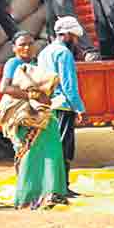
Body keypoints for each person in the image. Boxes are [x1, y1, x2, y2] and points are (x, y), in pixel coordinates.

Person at [0, 32, 67, 208]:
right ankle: (29, 198)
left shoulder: (34, 64)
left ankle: (51, 193)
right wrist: (31, 95)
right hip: (23, 115)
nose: (27, 48)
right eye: (22, 44)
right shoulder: (13, 63)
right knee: (30, 154)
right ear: (14, 48)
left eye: (30, 44)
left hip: (39, 113)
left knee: (51, 150)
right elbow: (4, 87)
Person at [38, 16, 87, 195]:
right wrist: (79, 108)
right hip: (63, 106)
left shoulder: (44, 52)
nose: (75, 41)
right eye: (74, 37)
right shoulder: (64, 53)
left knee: (52, 145)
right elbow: (69, 85)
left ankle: (53, 185)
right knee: (64, 147)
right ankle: (62, 187)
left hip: (49, 105)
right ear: (66, 35)